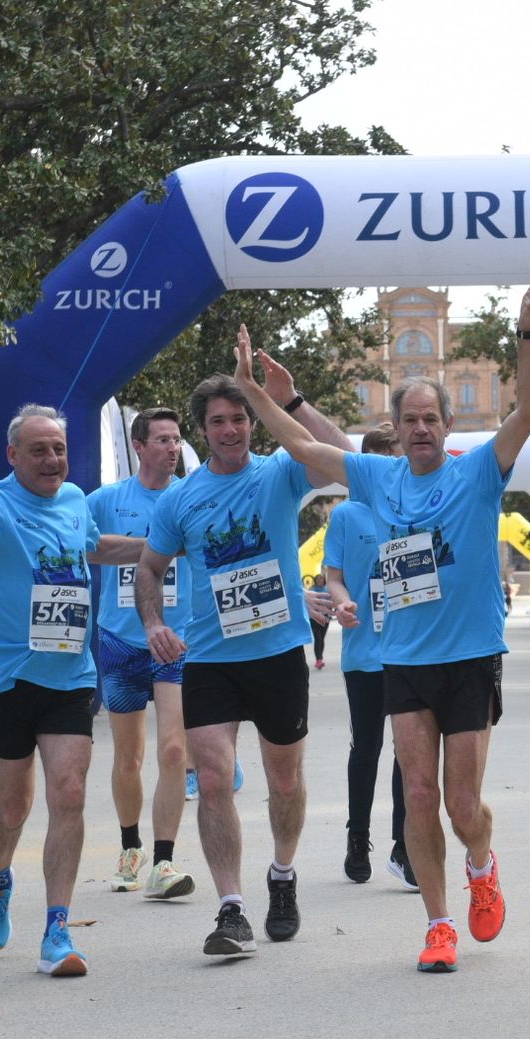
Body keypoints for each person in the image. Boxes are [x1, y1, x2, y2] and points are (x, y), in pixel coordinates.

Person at [231, 279, 530, 973]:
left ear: (445, 424)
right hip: (402, 659)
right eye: (413, 420)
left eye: (434, 417)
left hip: (469, 656)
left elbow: (529, 408)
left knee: (463, 805)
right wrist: (259, 395)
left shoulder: (478, 473)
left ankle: (482, 863)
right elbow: (306, 450)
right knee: (419, 795)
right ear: (398, 428)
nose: (424, 428)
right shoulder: (378, 478)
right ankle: (438, 924)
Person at [136, 326, 353, 958]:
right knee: (212, 772)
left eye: (240, 418)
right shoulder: (182, 499)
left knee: (284, 781)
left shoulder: (283, 472)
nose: (231, 430)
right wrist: (154, 625)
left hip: (279, 652)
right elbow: (149, 568)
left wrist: (289, 401)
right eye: (219, 421)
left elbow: (348, 459)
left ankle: (281, 875)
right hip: (210, 657)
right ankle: (230, 908)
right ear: (203, 430)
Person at [0, 404, 146, 976]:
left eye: (58, 448)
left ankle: (57, 929)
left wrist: (160, 545)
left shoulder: (76, 499)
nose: (53, 459)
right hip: (5, 676)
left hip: (69, 674)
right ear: (13, 456)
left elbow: (93, 545)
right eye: (39, 450)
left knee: (69, 794)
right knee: (13, 807)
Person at [85, 406, 198, 900]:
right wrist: (153, 548)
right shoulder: (108, 499)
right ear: (139, 446)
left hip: (175, 640)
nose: (173, 448)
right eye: (163, 440)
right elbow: (83, 546)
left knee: (174, 749)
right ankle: (130, 847)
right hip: (120, 639)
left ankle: (166, 860)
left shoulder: (193, 496)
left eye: (177, 440)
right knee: (128, 757)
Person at [322, 423, 417, 889]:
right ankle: (358, 836)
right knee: (368, 748)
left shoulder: (413, 505)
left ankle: (405, 845)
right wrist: (341, 600)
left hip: (412, 651)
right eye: (386, 460)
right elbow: (333, 575)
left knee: (409, 751)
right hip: (364, 653)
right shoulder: (346, 516)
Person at [308, 574, 330, 669]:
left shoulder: (327, 590)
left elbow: (331, 603)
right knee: (318, 639)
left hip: (325, 617)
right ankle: (319, 660)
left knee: (322, 638)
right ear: (315, 580)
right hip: (314, 618)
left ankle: (320, 658)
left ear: (324, 580)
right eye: (318, 579)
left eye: (321, 579)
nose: (320, 580)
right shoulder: (311, 590)